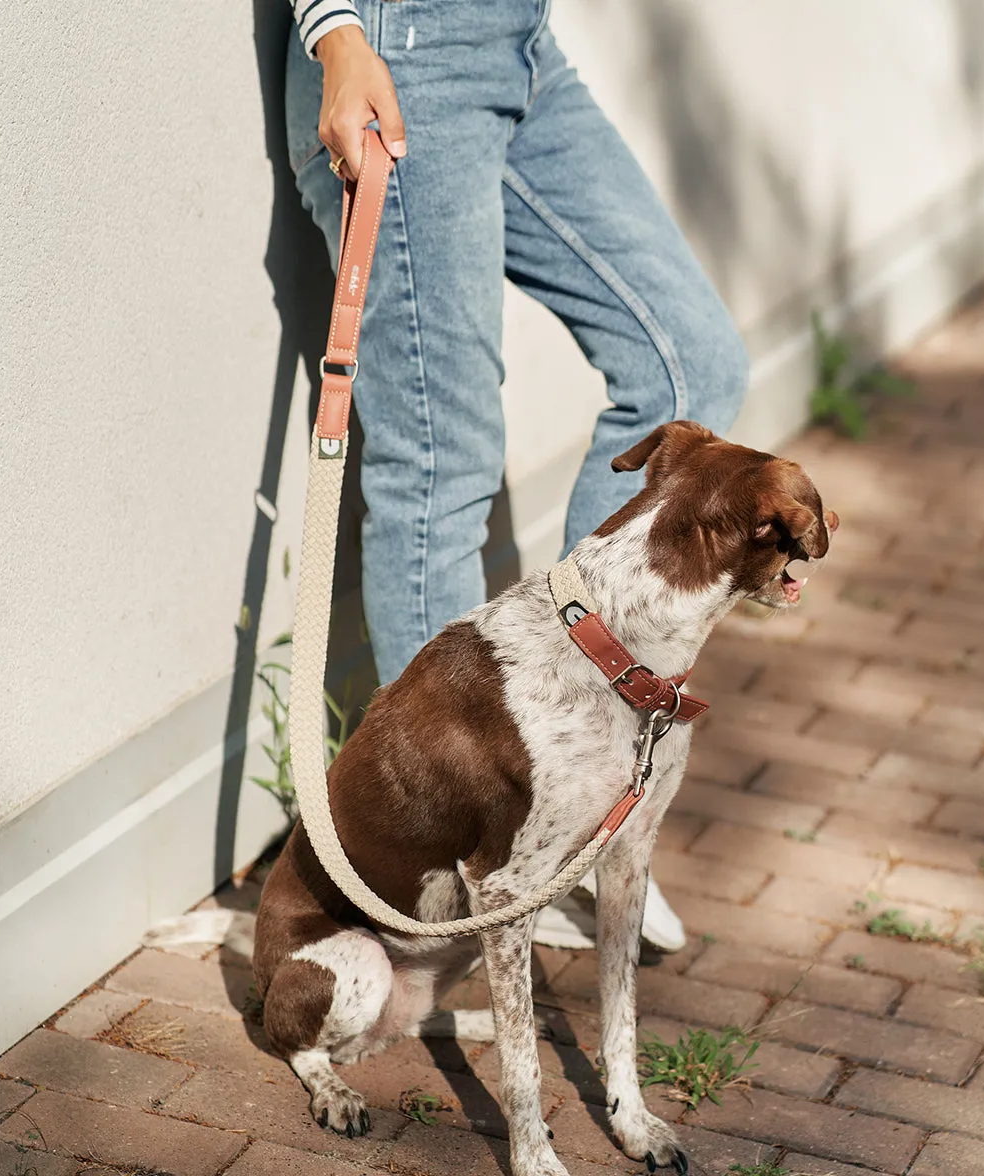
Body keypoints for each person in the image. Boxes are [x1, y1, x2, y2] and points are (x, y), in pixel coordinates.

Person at [285, 0, 748, 951]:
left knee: (687, 364)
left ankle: (565, 806)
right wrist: (336, 34)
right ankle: (446, 871)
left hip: (518, 40)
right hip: (395, 46)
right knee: (439, 462)